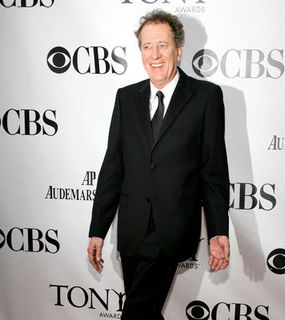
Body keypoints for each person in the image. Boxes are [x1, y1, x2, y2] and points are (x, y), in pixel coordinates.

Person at [88, 9, 230, 320]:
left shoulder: (206, 97)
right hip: (133, 229)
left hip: (172, 227)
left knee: (137, 312)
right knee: (146, 310)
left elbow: (213, 170)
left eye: (162, 45)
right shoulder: (126, 98)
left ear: (178, 50)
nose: (155, 55)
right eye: (147, 46)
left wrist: (219, 230)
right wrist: (98, 229)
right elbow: (113, 166)